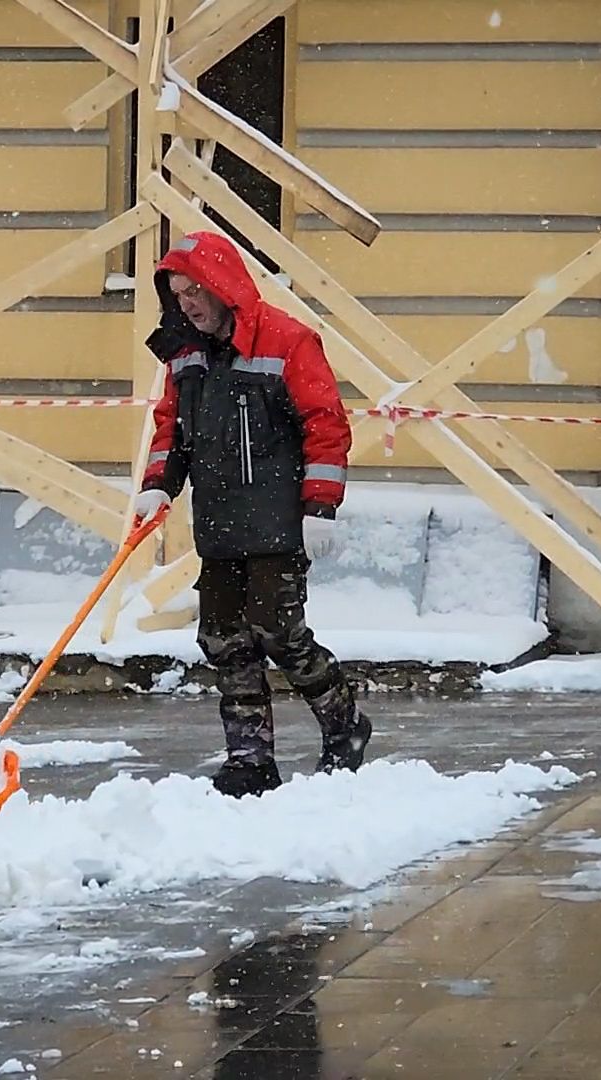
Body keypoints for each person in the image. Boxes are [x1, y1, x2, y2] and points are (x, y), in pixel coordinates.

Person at [133, 230, 371, 798]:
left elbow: (326, 425)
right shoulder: (184, 355)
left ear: (225, 286)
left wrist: (320, 505)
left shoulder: (287, 340)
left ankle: (344, 725)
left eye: (195, 289)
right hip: (218, 524)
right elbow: (172, 430)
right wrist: (157, 486)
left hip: (278, 522)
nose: (187, 302)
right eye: (176, 292)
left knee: (278, 634)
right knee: (223, 639)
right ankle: (249, 758)